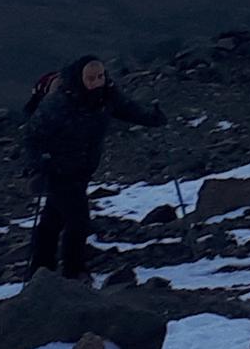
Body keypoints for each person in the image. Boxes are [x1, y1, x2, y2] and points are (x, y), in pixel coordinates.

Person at [17, 55, 159, 279]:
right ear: (79, 78)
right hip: (58, 169)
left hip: (82, 169)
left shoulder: (106, 96)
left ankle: (41, 268)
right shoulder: (59, 102)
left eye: (100, 76)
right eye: (91, 78)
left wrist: (152, 118)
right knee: (79, 220)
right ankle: (74, 272)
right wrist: (37, 164)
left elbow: (127, 109)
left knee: (53, 218)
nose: (96, 82)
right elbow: (33, 135)